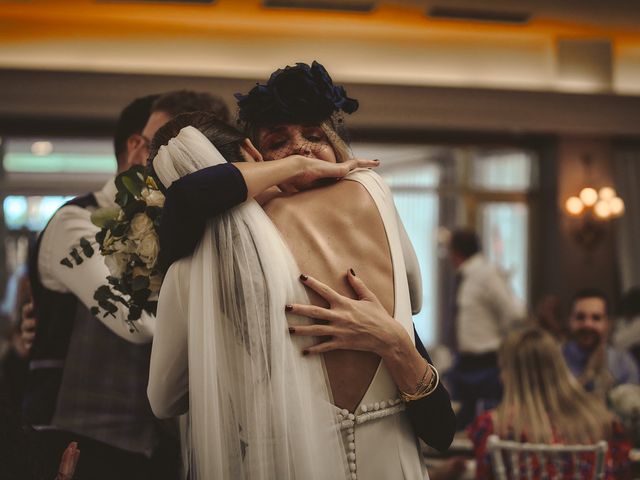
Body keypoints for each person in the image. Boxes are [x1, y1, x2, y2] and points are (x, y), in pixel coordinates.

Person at [148, 61, 455, 479]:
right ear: (254, 159)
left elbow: (438, 418)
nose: (304, 150)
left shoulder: (371, 197)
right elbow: (188, 200)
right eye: (281, 142)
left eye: (314, 137)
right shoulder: (213, 261)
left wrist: (392, 340)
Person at [24, 91, 228, 480]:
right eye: (161, 146)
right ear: (136, 147)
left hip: (159, 449)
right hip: (77, 442)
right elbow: (139, 326)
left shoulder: (189, 232)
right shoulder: (75, 222)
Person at [468, 327, 632, 479]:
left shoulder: (495, 426)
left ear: (513, 374)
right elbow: (623, 473)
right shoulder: (600, 421)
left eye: (503, 368)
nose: (500, 377)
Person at [447, 228, 524, 430]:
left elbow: (514, 313)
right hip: (465, 364)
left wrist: (503, 337)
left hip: (487, 365)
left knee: (486, 427)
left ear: (455, 251)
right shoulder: (466, 275)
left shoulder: (488, 273)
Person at [563, 288, 639, 398]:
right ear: (570, 321)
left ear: (607, 324)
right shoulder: (555, 359)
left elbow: (634, 408)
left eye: (596, 318)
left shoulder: (623, 362)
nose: (587, 324)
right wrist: (588, 376)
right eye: (580, 317)